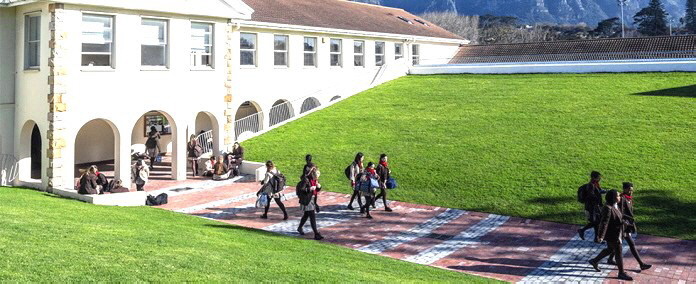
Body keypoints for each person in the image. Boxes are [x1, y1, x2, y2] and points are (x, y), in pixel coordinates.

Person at [588, 190, 633, 281]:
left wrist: (624, 222)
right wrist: (600, 236)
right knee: (618, 252)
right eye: (618, 196)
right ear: (613, 198)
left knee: (610, 249)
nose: (620, 197)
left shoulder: (615, 206)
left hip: (616, 233)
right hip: (613, 235)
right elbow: (604, 223)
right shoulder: (608, 208)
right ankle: (621, 273)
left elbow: (617, 218)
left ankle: (594, 261)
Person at [607, 182, 652, 270]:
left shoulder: (628, 198)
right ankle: (641, 264)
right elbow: (619, 213)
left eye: (632, 190)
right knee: (630, 244)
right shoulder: (621, 199)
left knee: (614, 247)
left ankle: (606, 259)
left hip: (626, 225)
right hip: (623, 226)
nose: (631, 192)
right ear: (625, 189)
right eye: (629, 190)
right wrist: (629, 219)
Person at [296, 165, 324, 240]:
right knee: (312, 216)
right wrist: (309, 188)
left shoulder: (316, 179)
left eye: (317, 177)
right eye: (315, 177)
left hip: (313, 199)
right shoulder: (306, 179)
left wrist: (319, 187)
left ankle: (299, 227)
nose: (316, 178)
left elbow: (316, 191)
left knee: (306, 215)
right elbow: (302, 189)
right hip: (307, 199)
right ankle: (316, 233)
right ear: (312, 174)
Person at [578, 171, 607, 242]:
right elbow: (591, 195)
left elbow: (599, 191)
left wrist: (605, 191)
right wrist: (598, 195)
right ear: (594, 177)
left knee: (597, 221)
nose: (599, 178)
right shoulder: (590, 185)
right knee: (596, 222)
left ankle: (596, 238)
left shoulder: (596, 184)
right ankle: (582, 230)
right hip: (592, 207)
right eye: (598, 177)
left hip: (596, 206)